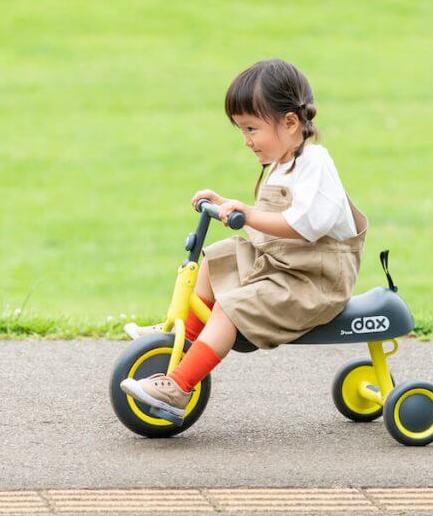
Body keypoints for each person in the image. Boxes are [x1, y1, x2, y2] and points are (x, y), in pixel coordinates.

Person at [120, 58, 369, 422]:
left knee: (231, 306)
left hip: (313, 281)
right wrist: (224, 205)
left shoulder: (315, 163)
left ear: (290, 122)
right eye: (241, 129)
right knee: (214, 258)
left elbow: (305, 226)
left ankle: (179, 387)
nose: (246, 140)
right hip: (282, 265)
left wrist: (247, 214)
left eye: (252, 129)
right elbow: (272, 219)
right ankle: (183, 339)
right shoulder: (283, 160)